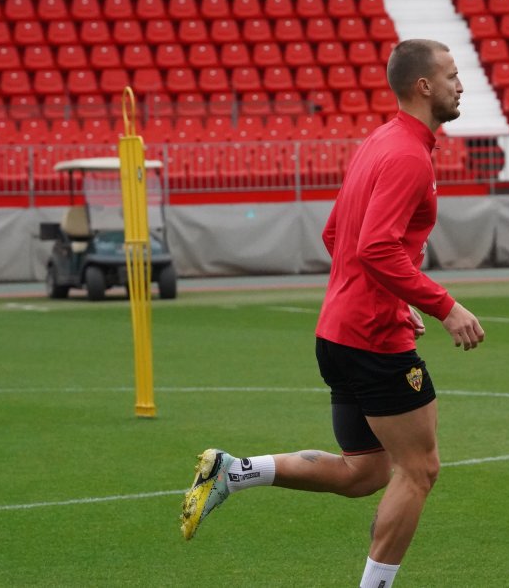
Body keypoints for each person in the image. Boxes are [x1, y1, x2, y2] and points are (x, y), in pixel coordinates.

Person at [180, 39, 486, 588]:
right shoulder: (407, 155)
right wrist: (444, 307)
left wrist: (390, 301)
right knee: (419, 470)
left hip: (339, 332)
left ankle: (235, 471)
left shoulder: (380, 142)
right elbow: (375, 248)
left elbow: (335, 233)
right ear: (423, 86)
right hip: (372, 339)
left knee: (364, 472)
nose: (460, 85)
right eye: (452, 76)